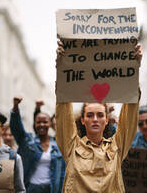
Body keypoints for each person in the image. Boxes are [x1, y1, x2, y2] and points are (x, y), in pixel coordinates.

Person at [55, 41, 142, 192]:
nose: (95, 119)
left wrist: (133, 69)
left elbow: (130, 112)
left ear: (107, 119)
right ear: (82, 120)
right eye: (90, 115)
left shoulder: (117, 147)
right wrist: (62, 67)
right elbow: (63, 108)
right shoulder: (72, 147)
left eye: (100, 115)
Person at [10, 97, 65, 193]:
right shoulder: (27, 142)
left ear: (50, 124)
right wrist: (15, 107)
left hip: (52, 189)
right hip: (31, 188)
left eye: (45, 122)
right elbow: (16, 128)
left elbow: (62, 173)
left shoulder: (58, 145)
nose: (42, 125)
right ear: (34, 124)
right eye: (38, 122)